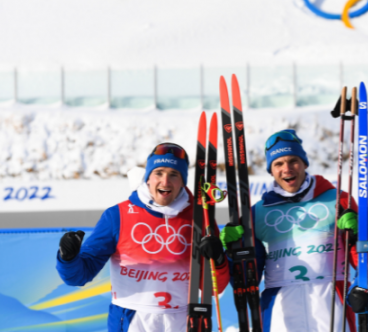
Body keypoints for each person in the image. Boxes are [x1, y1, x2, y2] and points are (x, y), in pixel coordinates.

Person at [56, 142, 239, 332]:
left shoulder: (201, 217)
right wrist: (68, 258)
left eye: (174, 174)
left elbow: (213, 288)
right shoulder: (117, 216)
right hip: (132, 319)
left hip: (184, 319)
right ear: (148, 178)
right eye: (158, 173)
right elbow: (79, 276)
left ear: (183, 181)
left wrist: (218, 259)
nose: (165, 181)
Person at [228, 129, 358, 332]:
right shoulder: (258, 212)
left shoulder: (338, 199)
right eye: (278, 163)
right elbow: (245, 279)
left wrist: (358, 235)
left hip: (331, 301)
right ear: (271, 170)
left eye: (293, 161)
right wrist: (231, 249)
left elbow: (362, 262)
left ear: (305, 163)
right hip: (281, 305)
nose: (287, 169)